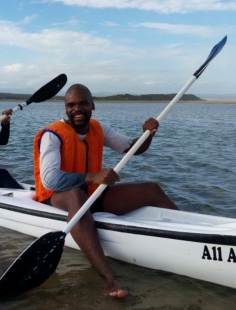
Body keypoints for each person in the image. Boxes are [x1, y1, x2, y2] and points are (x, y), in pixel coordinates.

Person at [33, 84, 178, 298]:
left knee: (152, 189)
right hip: (57, 196)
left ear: (93, 105)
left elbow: (132, 148)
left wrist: (148, 135)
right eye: (71, 105)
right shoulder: (52, 135)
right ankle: (109, 278)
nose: (77, 109)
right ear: (65, 109)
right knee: (76, 195)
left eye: (83, 103)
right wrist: (91, 176)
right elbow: (50, 180)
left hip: (92, 194)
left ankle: (194, 236)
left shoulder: (99, 128)